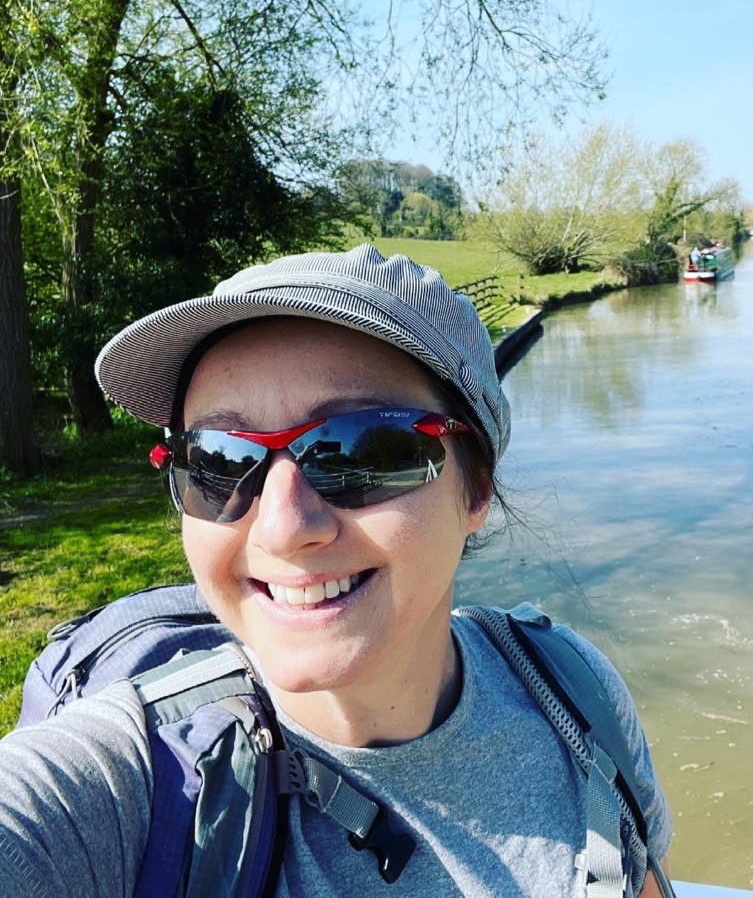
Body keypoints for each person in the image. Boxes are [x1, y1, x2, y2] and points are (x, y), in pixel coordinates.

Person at [0, 245, 671, 896]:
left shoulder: (573, 696)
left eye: (355, 450)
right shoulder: (130, 786)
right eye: (219, 459)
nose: (282, 527)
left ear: (475, 490)